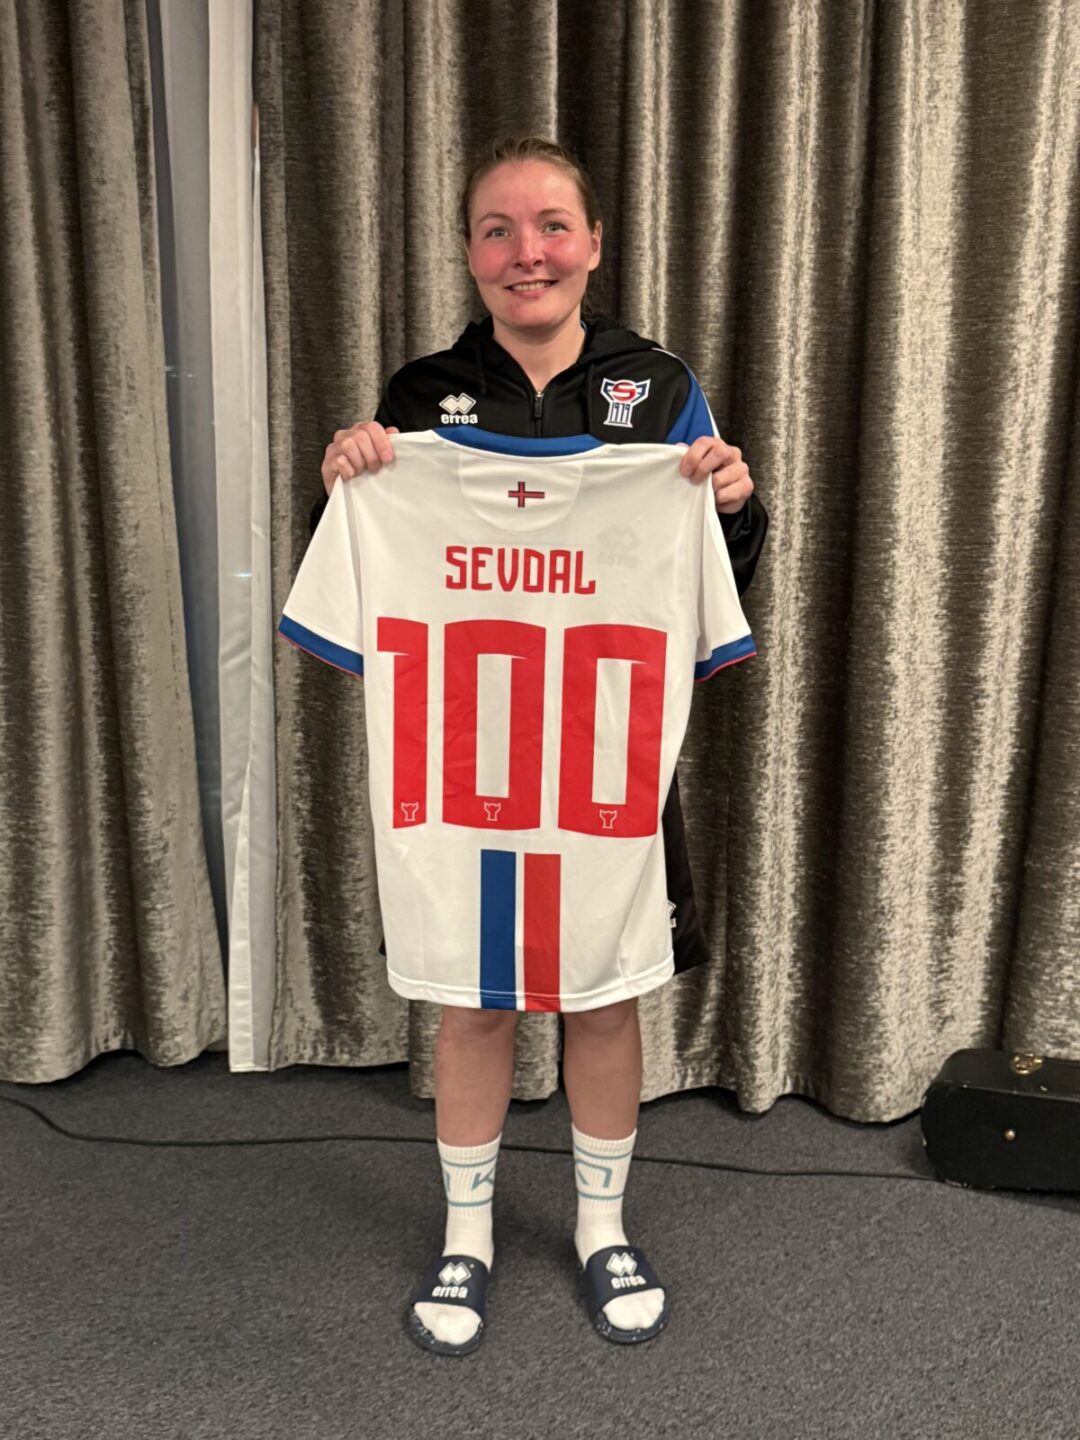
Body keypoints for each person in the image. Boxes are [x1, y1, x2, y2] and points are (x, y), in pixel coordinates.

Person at [311, 135, 768, 1356]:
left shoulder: (658, 387)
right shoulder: (422, 396)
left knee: (603, 1000)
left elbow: (716, 582)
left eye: (553, 224)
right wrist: (345, 482)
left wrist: (732, 504)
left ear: (594, 243)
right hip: (466, 773)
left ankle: (601, 1226)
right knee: (474, 1006)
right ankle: (465, 1239)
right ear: (470, 252)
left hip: (604, 764)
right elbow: (366, 575)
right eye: (499, 229)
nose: (529, 252)